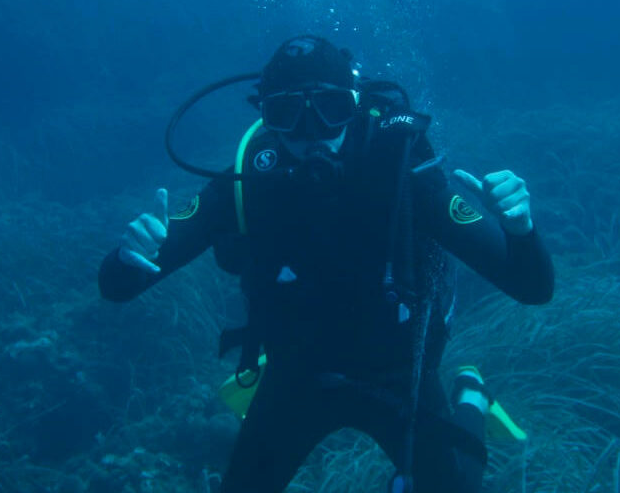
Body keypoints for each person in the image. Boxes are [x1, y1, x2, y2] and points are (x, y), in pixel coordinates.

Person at [98, 35, 554, 492]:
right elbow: (117, 286)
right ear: (265, 116)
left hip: (398, 373)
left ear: (354, 105)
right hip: (296, 374)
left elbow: (533, 288)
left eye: (331, 108)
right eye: (286, 114)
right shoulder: (250, 180)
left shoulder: (402, 172)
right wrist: (130, 255)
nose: (311, 133)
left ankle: (471, 394)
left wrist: (520, 230)